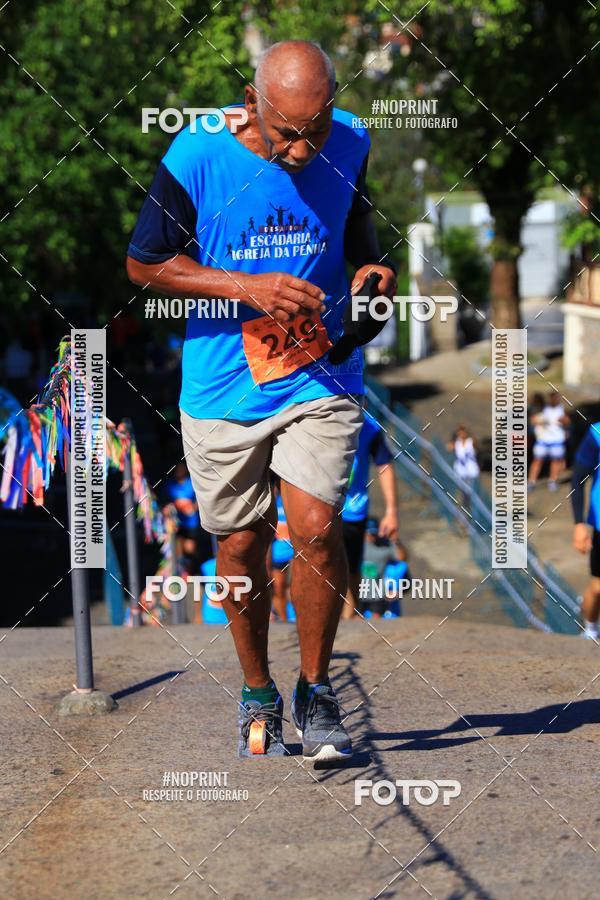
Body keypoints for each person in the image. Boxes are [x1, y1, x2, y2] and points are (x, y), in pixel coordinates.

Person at [126, 40, 397, 761]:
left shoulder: (352, 142)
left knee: (315, 528)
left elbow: (361, 235)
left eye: (316, 130)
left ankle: (317, 691)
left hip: (321, 370)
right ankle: (257, 688)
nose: (303, 150)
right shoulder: (197, 153)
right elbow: (144, 263)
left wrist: (374, 276)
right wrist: (249, 288)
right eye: (286, 134)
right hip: (223, 381)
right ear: (251, 105)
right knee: (240, 544)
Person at [341, 409, 399, 618]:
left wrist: (391, 511)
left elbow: (384, 465)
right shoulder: (313, 410)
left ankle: (350, 616)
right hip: (318, 506)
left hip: (353, 510)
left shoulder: (369, 425)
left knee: (352, 570)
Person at [571, 423, 600, 641]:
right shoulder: (596, 433)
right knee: (598, 588)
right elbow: (578, 479)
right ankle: (590, 628)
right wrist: (579, 524)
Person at [528, 391, 571, 491]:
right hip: (542, 440)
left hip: (557, 440)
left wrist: (563, 421)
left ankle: (552, 481)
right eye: (552, 398)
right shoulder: (542, 409)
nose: (554, 400)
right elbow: (533, 420)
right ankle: (531, 481)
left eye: (556, 398)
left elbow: (567, 421)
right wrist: (540, 421)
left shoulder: (561, 409)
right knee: (537, 461)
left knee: (555, 461)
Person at [448, 424, 480, 512]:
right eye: (460, 433)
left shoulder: (470, 441)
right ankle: (466, 510)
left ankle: (473, 510)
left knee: (472, 492)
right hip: (461, 472)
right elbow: (449, 448)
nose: (462, 434)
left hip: (472, 471)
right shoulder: (456, 443)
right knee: (463, 493)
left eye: (463, 432)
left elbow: (476, 444)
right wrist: (453, 438)